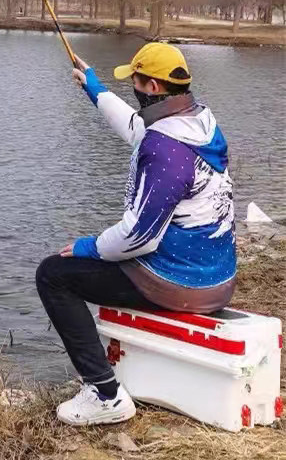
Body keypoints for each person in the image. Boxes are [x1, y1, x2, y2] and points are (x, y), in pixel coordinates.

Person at [35, 42, 236, 426]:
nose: (133, 87)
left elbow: (139, 238)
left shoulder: (165, 149)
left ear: (153, 87)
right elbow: (136, 128)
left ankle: (105, 394)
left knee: (53, 275)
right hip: (216, 278)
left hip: (182, 283)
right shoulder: (197, 122)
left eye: (137, 80)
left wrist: (88, 246)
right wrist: (93, 87)